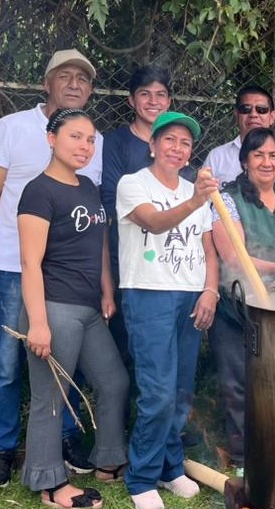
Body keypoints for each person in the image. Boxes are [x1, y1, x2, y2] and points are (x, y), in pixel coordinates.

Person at [0, 48, 103, 487]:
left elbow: (89, 214)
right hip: (12, 266)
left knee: (66, 359)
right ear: (47, 84)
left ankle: (64, 438)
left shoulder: (91, 140)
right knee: (7, 362)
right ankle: (0, 448)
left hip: (65, 276)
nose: (75, 84)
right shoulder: (12, 128)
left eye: (83, 78)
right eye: (65, 76)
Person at [17, 108, 128, 509]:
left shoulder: (88, 188)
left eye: (90, 139)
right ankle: (49, 484)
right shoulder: (38, 191)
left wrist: (106, 290)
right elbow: (29, 263)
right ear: (52, 139)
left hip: (88, 307)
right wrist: (38, 323)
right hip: (54, 306)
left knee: (114, 382)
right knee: (51, 397)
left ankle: (108, 460)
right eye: (75, 137)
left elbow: (99, 245)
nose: (85, 146)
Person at [116, 111, 220, 509]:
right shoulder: (133, 184)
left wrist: (210, 291)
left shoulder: (195, 190)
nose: (177, 148)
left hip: (191, 295)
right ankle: (141, 477)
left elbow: (208, 248)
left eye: (185, 143)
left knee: (180, 391)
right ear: (153, 145)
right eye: (170, 140)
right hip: (149, 294)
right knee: (157, 392)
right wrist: (196, 200)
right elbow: (154, 223)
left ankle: (169, 466)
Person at [211, 127, 275, 472]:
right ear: (245, 161)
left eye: (273, 155)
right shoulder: (227, 199)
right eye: (258, 155)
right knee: (240, 382)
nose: (266, 162)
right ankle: (244, 456)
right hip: (237, 307)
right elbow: (232, 256)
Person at [101, 64, 173, 362]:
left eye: (160, 94)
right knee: (126, 334)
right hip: (127, 252)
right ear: (131, 100)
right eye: (145, 94)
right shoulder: (115, 142)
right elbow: (110, 198)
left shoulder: (175, 144)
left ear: (169, 101)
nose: (153, 101)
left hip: (170, 255)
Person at [202, 84, 275, 185]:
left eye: (261, 110)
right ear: (237, 115)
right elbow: (202, 193)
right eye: (246, 109)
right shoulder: (217, 156)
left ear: (272, 117)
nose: (253, 115)